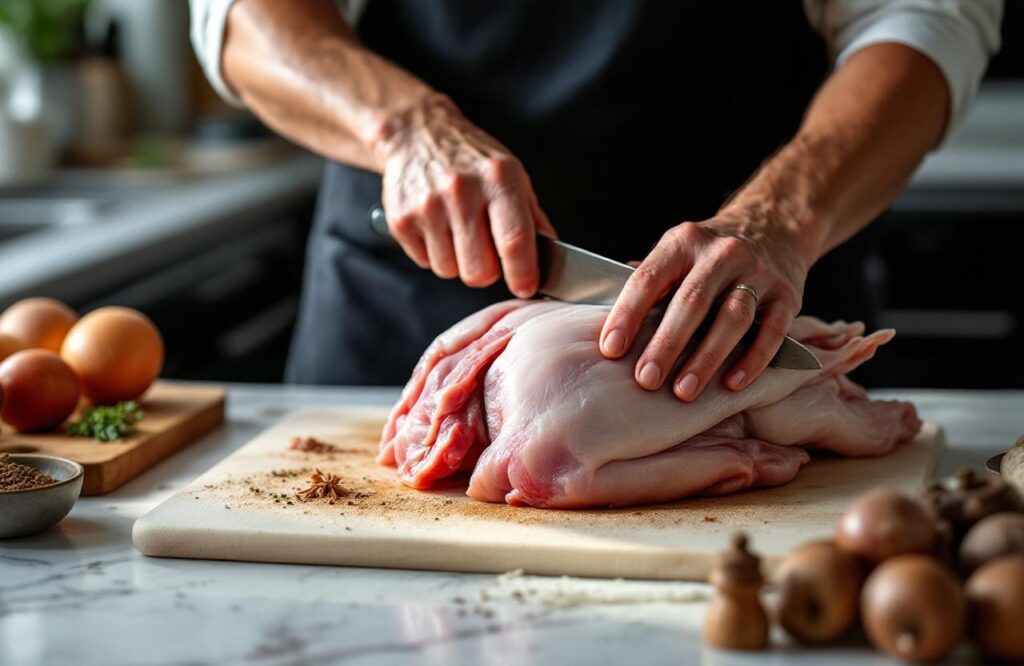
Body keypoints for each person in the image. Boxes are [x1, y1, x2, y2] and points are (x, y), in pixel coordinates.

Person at [191, 0, 1001, 398]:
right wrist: (405, 128)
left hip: (749, 316)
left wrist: (779, 219)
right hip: (403, 311)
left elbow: (927, 19)